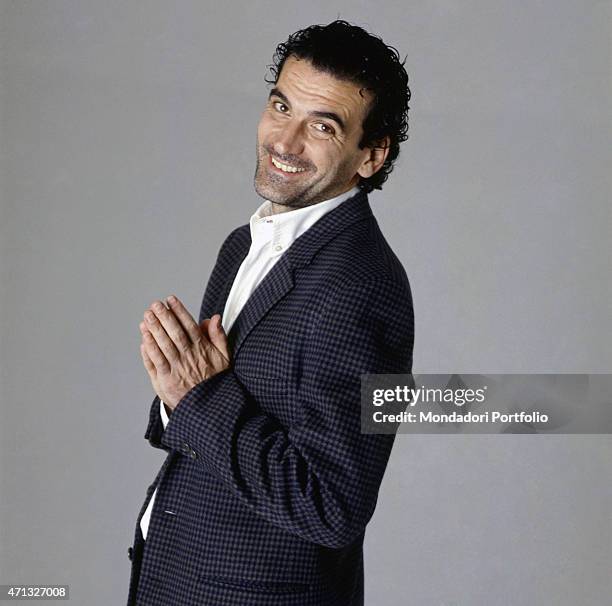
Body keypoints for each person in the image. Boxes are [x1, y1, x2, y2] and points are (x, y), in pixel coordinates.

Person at [127, 19, 414, 606]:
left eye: (323, 125)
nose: (284, 141)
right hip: (171, 579)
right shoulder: (245, 243)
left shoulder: (363, 286)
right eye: (281, 106)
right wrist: (177, 396)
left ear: (371, 155)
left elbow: (333, 507)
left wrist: (195, 397)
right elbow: (201, 412)